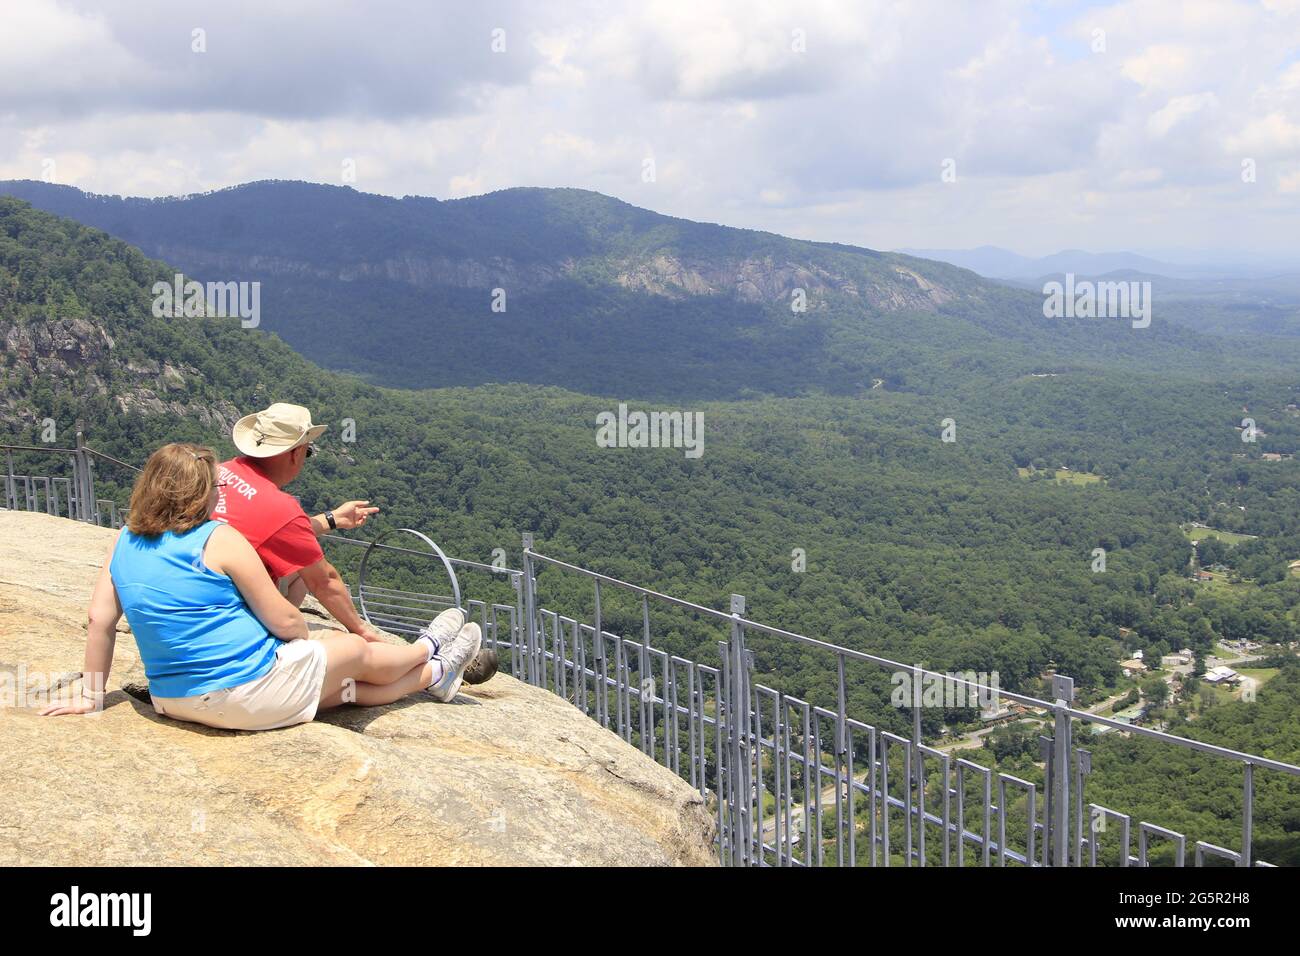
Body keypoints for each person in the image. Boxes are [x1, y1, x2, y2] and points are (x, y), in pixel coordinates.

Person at [40, 443, 483, 730]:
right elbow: (286, 619)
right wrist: (304, 634)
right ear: (198, 495)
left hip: (174, 699)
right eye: (215, 486)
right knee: (354, 653)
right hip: (245, 690)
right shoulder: (217, 538)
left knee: (342, 691)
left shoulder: (123, 540)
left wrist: (90, 695)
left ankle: (439, 676)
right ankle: (427, 650)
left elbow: (100, 621)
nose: (220, 493)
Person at [213, 402, 383, 641]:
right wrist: (364, 632)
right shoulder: (278, 506)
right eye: (308, 451)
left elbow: (277, 532)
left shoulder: (220, 471)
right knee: (304, 567)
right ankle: (276, 637)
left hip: (205, 589)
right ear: (295, 454)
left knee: (297, 558)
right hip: (233, 611)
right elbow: (324, 581)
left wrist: (332, 519)